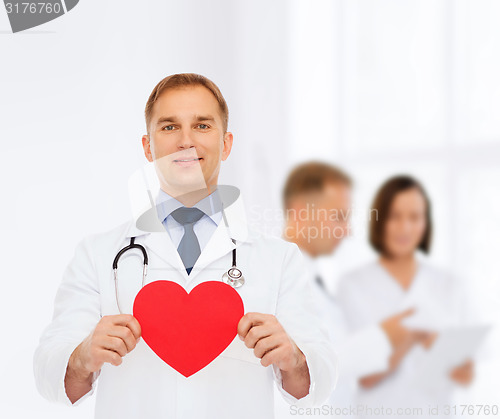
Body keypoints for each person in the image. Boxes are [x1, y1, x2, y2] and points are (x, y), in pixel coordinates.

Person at [33, 73, 336, 419]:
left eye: (203, 126)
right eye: (169, 127)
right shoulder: (97, 254)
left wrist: (294, 359)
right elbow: (48, 373)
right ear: (148, 147)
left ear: (226, 144)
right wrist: (82, 356)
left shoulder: (278, 259)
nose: (186, 141)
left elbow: (320, 380)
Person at [275, 162, 415, 418]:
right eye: (338, 217)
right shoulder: (275, 279)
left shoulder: (317, 279)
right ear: (301, 213)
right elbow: (308, 366)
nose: (347, 231)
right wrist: (383, 337)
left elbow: (336, 361)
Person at [337, 175, 475, 418]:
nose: (405, 228)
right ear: (380, 221)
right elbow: (363, 376)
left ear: (426, 223)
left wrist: (441, 350)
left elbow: (465, 375)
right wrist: (412, 335)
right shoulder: (353, 285)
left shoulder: (450, 285)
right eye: (395, 216)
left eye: (414, 217)